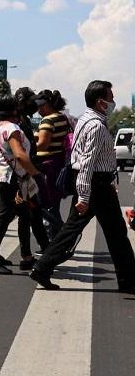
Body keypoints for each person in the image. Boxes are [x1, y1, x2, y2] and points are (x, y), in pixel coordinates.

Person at [31, 81, 135, 291]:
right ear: (100, 102)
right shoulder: (96, 125)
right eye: (110, 98)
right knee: (115, 233)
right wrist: (84, 197)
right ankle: (128, 280)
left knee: (72, 231)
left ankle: (42, 268)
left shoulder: (86, 119)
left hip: (94, 183)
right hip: (95, 185)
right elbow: (87, 163)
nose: (113, 101)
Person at [0, 97, 43, 274]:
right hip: (12, 179)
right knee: (4, 217)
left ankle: (26, 256)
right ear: (14, 111)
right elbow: (20, 155)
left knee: (25, 215)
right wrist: (36, 174)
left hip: (5, 177)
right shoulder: (12, 128)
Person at [14, 87, 50, 253]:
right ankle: (26, 255)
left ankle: (44, 247)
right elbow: (20, 152)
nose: (34, 104)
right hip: (22, 174)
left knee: (33, 213)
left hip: (28, 172)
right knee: (17, 215)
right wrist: (27, 175)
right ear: (22, 102)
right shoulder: (17, 123)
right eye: (31, 101)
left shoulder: (25, 120)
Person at [34, 89, 70, 238]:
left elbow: (42, 144)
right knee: (53, 203)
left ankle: (60, 236)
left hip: (48, 166)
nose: (38, 109)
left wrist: (24, 147)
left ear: (48, 105)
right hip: (58, 162)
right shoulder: (62, 117)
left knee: (45, 205)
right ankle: (57, 237)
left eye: (41, 106)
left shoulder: (48, 120)